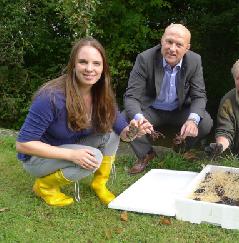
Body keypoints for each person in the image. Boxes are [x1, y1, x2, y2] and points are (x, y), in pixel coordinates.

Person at [16, 37, 152, 207]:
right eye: (83, 62)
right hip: (37, 158)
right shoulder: (50, 97)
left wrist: (134, 131)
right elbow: (23, 144)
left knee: (111, 134)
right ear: (73, 65)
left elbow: (122, 132)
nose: (89, 69)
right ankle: (44, 186)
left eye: (96, 63)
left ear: (103, 68)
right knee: (93, 157)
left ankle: (99, 183)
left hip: (69, 145)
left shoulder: (102, 93)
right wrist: (72, 155)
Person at [124, 23, 213, 174]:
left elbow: (199, 95)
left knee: (205, 122)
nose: (172, 48)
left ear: (187, 48)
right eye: (169, 42)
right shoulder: (145, 59)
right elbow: (131, 96)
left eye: (179, 44)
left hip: (179, 110)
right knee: (126, 118)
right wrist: (139, 118)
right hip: (151, 109)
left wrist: (192, 120)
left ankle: (182, 149)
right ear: (162, 41)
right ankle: (146, 154)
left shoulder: (194, 61)